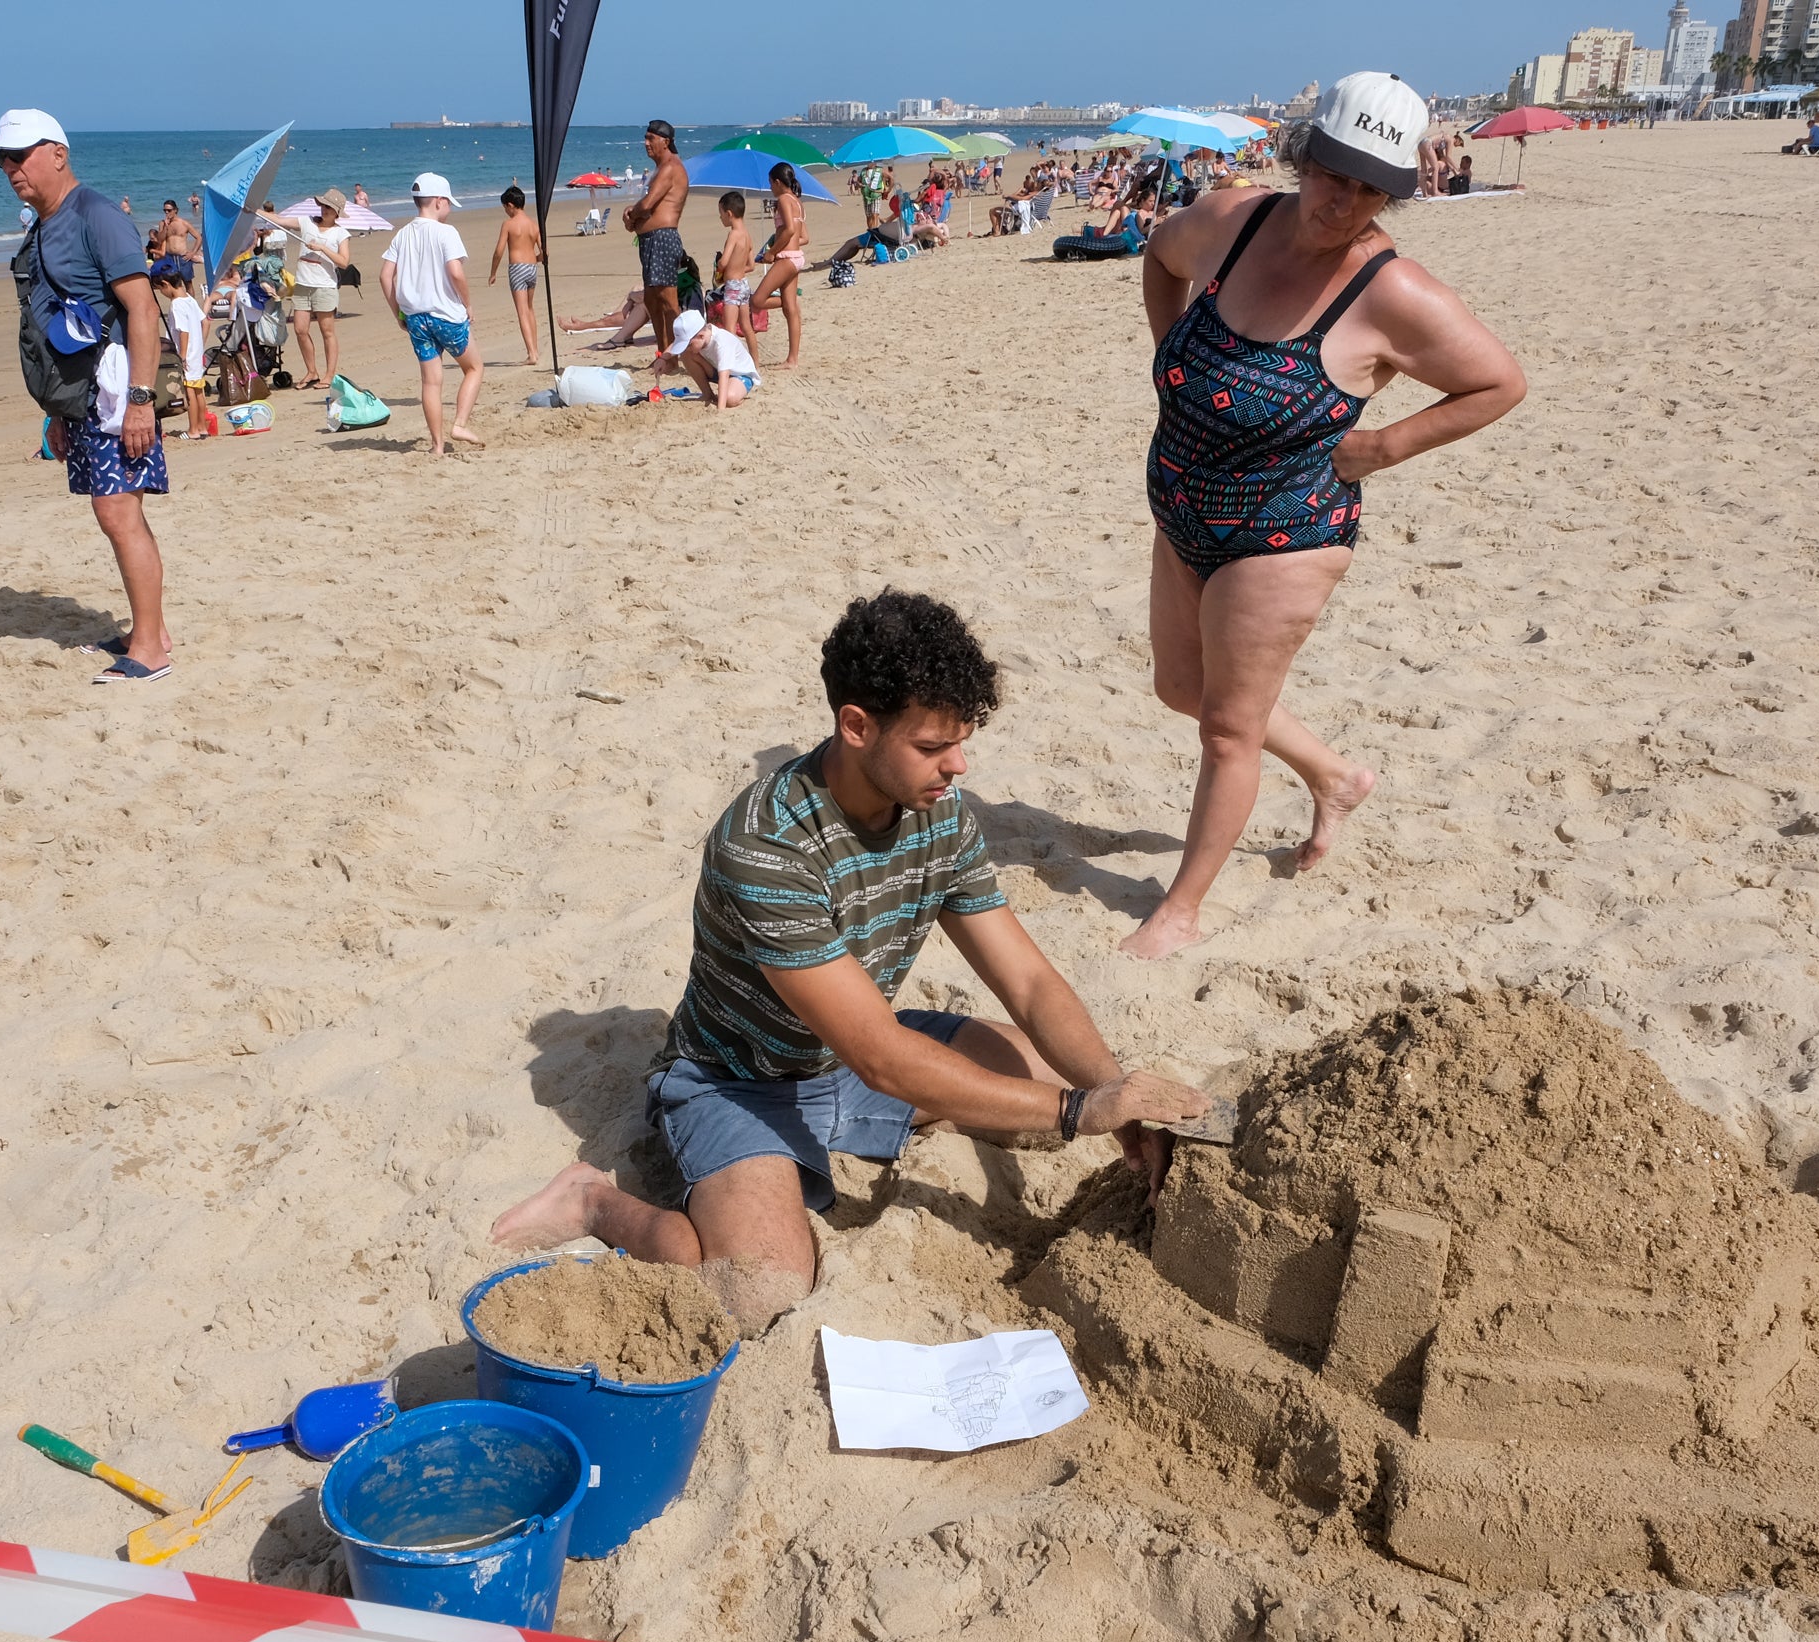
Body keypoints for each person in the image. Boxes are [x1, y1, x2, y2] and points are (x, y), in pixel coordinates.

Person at [490, 591, 1212, 1326]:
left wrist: (1110, 1093)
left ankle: (941, 1118)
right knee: (755, 1292)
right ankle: (593, 1200)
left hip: (855, 1053)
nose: (957, 766)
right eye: (932, 747)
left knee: (1069, 1074)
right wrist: (1076, 1111)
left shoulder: (939, 812)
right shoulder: (765, 844)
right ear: (857, 725)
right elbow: (880, 1057)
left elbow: (1026, 981)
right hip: (740, 1084)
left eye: (961, 742)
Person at [1123, 74, 1525, 962]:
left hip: (1285, 529)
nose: (1340, 201)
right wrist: (1170, 347)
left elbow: (1498, 383)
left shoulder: (1393, 293)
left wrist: (1384, 447)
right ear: (1302, 158)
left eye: (1367, 187)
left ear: (1390, 192)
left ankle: (1180, 909)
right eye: (1331, 173)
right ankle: (1335, 777)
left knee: (1228, 728)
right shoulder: (1233, 220)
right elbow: (1158, 252)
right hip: (1183, 504)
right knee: (1182, 691)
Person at [0, 107, 172, 684]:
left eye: (20, 155)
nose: (10, 167)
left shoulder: (96, 215)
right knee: (115, 514)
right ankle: (151, 631)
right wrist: (56, 412)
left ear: (58, 155)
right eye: (3, 158)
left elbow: (143, 309)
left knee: (118, 512)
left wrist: (141, 400)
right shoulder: (43, 223)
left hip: (116, 394)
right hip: (80, 398)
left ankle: (150, 650)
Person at [380, 171, 482, 457]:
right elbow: (455, 271)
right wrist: (467, 303)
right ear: (438, 202)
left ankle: (437, 446)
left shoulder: (403, 234)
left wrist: (397, 312)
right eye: (448, 203)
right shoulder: (446, 232)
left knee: (431, 382)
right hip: (445, 315)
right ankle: (460, 424)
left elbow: (386, 276)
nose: (449, 208)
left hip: (415, 318)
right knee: (474, 368)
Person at [622, 119, 689, 355]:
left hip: (662, 239)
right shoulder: (663, 168)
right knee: (652, 300)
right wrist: (635, 216)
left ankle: (683, 353)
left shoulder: (670, 166)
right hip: (652, 240)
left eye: (651, 138)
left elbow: (649, 204)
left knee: (668, 301)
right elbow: (650, 205)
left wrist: (632, 215)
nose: (646, 143)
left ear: (666, 141)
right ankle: (664, 353)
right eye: (646, 137)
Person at [271, 190, 349, 390]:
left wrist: (322, 249)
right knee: (300, 329)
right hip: (303, 285)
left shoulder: (340, 233)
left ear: (337, 213)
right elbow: (279, 220)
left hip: (324, 286)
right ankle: (311, 371)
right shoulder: (307, 223)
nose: (324, 210)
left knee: (327, 331)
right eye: (323, 206)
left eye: (329, 208)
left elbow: (344, 262)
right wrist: (253, 210)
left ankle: (329, 375)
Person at [752, 162, 808, 367]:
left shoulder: (784, 199)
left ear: (777, 182)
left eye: (770, 183)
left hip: (787, 258)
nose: (770, 188)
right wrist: (778, 244)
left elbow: (791, 230)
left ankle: (785, 302)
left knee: (757, 301)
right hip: (795, 255)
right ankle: (792, 358)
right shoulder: (797, 202)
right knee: (791, 308)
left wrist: (772, 252)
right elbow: (804, 237)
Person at [654, 308, 759, 410]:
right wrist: (662, 359)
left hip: (740, 374)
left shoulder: (722, 342)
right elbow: (675, 345)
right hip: (717, 369)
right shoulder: (701, 337)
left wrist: (720, 409)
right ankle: (707, 394)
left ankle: (737, 397)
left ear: (701, 336)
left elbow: (724, 375)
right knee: (686, 354)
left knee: (728, 398)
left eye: (689, 344)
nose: (687, 347)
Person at [485, 185, 544, 365]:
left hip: (517, 268)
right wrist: (533, 258)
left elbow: (499, 251)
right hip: (532, 268)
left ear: (510, 205)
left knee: (522, 311)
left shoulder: (509, 224)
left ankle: (532, 354)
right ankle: (535, 350)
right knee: (530, 308)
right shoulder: (534, 224)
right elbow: (545, 252)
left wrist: (493, 272)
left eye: (505, 208)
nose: (506, 211)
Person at [152, 258, 209, 438]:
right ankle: (202, 428)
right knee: (199, 392)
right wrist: (200, 344)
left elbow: (183, 332)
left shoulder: (176, 304)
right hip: (196, 352)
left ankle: (193, 430)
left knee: (189, 393)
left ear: (165, 284)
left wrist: (181, 355)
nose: (162, 293)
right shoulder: (189, 299)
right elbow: (205, 322)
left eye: (160, 289)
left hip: (185, 356)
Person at [706, 189, 755, 341]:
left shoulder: (733, 234)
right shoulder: (747, 234)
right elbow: (751, 265)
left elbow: (724, 261)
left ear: (729, 214)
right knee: (747, 327)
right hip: (744, 284)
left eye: (720, 213)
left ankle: (733, 362)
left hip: (733, 286)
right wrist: (736, 268)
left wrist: (719, 266)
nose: (720, 217)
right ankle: (755, 361)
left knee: (730, 329)